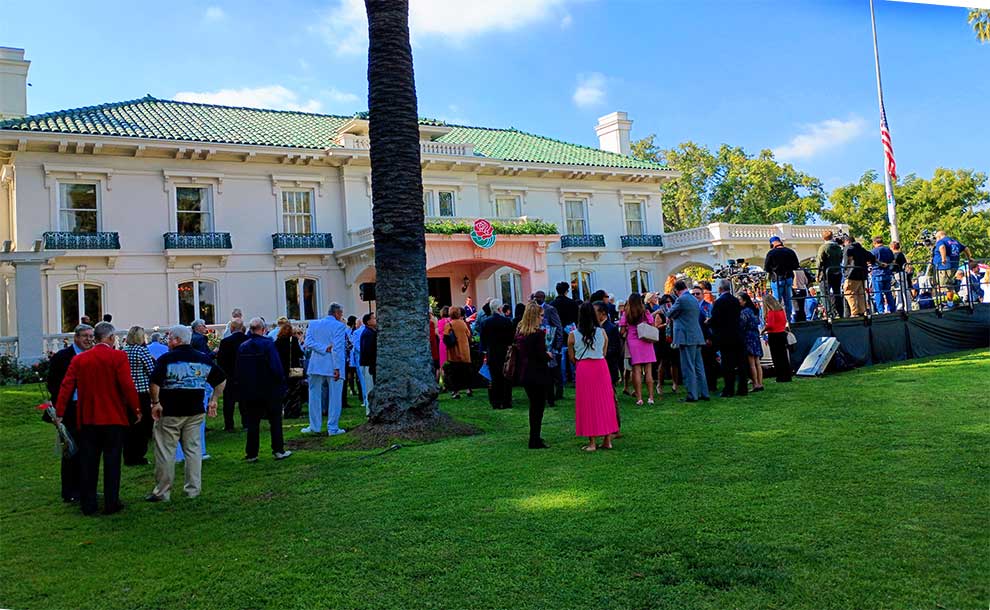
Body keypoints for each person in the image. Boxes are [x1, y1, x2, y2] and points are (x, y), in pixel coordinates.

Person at [55, 322, 141, 515]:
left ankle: (89, 504)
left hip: (88, 418)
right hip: (113, 417)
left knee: (88, 462)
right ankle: (111, 502)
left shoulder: (80, 359)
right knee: (112, 462)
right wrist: (136, 408)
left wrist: (60, 412)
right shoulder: (118, 356)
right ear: (110, 338)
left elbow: (66, 387)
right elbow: (127, 385)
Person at [146, 325, 226, 503]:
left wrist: (155, 403)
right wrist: (214, 399)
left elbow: (154, 383)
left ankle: (162, 492)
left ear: (176, 340)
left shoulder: (167, 359)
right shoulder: (203, 359)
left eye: (169, 339)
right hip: (195, 411)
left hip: (170, 412)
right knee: (193, 450)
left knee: (166, 452)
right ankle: (193, 490)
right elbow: (221, 379)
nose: (168, 342)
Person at [46, 323, 94, 503]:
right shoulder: (63, 357)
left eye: (91, 336)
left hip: (88, 407)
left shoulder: (92, 354)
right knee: (71, 447)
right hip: (70, 407)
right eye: (85, 336)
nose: (89, 340)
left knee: (88, 448)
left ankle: (85, 487)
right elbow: (53, 382)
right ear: (76, 338)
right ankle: (70, 490)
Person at [237, 318, 292, 462]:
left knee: (253, 422)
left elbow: (239, 370)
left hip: (251, 390)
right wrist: (282, 383)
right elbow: (276, 366)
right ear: (263, 329)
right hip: (269, 389)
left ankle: (252, 453)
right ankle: (278, 450)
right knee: (275, 420)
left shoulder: (243, 346)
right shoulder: (268, 345)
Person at [568, 302, 619, 451]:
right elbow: (603, 352)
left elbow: (572, 357)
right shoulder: (602, 332)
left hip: (584, 368)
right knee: (605, 402)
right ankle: (607, 439)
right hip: (601, 367)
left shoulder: (573, 335)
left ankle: (592, 442)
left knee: (588, 403)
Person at [302, 304, 348, 436]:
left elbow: (308, 343)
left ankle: (314, 426)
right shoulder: (339, 326)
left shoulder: (314, 324)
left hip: (316, 364)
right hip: (332, 365)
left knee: (314, 395)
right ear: (337, 313)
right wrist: (337, 367)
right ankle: (332, 427)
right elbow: (337, 348)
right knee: (335, 396)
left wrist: (321, 348)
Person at [513, 302, 551, 449]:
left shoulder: (521, 334)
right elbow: (540, 355)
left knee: (534, 406)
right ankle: (535, 438)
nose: (542, 319)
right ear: (535, 316)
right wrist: (548, 355)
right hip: (537, 373)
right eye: (541, 316)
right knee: (538, 407)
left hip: (525, 372)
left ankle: (534, 436)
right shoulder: (537, 335)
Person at [666, 280, 710, 403]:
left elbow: (669, 313)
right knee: (699, 366)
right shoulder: (693, 299)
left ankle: (692, 394)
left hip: (686, 337)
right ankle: (704, 392)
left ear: (676, 291)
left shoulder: (681, 300)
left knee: (688, 366)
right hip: (696, 336)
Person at [122, 326, 156, 466]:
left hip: (127, 392)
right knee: (142, 426)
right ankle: (138, 456)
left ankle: (128, 455)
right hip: (141, 391)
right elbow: (151, 371)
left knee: (129, 425)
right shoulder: (141, 351)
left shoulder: (124, 351)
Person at [709, 279, 746, 397]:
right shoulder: (735, 301)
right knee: (741, 364)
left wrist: (709, 322)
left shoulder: (719, 302)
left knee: (727, 364)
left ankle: (729, 389)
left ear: (720, 289)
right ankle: (742, 388)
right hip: (737, 334)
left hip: (725, 337)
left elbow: (716, 320)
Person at [619, 292, 656, 405]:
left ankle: (639, 398)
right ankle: (650, 397)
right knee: (648, 371)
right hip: (646, 340)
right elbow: (652, 325)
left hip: (633, 341)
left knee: (636, 371)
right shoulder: (645, 312)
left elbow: (622, 331)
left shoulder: (627, 313)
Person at [216, 318, 250, 432]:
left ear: (231, 328)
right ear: (242, 328)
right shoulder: (248, 340)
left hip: (230, 375)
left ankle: (229, 425)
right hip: (245, 375)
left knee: (228, 402)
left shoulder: (225, 342)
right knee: (245, 401)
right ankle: (246, 423)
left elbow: (220, 361)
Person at [481, 301, 515, 410]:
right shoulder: (506, 321)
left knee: (495, 378)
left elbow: (483, 340)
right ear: (500, 309)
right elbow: (511, 338)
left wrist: (484, 351)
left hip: (492, 352)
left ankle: (496, 401)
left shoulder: (486, 322)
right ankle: (506, 401)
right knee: (506, 377)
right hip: (505, 352)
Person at [533, 290, 564, 403]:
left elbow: (558, 325)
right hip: (540, 342)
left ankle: (558, 392)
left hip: (550, 342)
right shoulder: (533, 309)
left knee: (555, 370)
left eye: (539, 297)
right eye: (535, 297)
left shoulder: (550, 309)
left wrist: (558, 343)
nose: (537, 299)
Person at [764, 236, 800, 320]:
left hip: (777, 279)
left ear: (772, 244)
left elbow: (766, 268)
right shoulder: (790, 251)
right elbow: (796, 265)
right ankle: (788, 320)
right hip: (788, 278)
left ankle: (778, 320)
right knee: (788, 301)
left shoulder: (771, 253)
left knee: (776, 302)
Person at [692, 284, 719, 393]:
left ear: (702, 295)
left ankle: (711, 385)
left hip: (706, 338)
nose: (695, 296)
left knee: (709, 363)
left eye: (697, 294)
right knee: (699, 364)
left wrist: (709, 337)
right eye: (693, 294)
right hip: (695, 338)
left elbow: (710, 324)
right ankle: (702, 385)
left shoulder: (708, 306)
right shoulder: (691, 306)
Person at [275, 322, 305, 419]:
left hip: (282, 369)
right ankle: (294, 412)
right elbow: (300, 353)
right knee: (295, 392)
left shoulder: (277, 342)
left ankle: (285, 410)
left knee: (285, 391)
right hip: (294, 368)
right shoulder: (294, 341)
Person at [443, 306, 473, 399]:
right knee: (466, 371)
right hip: (464, 350)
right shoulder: (463, 323)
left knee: (454, 373)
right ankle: (468, 389)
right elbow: (469, 334)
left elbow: (445, 337)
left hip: (454, 351)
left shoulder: (449, 324)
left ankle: (456, 392)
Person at [842, 236, 876, 317]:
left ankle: (855, 312)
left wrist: (845, 271)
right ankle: (862, 311)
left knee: (849, 292)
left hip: (852, 274)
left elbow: (846, 261)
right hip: (862, 275)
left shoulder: (848, 248)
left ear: (847, 241)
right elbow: (871, 257)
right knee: (860, 293)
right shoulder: (861, 248)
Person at [762, 294, 792, 383]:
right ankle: (787, 375)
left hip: (774, 335)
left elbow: (770, 325)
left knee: (776, 357)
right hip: (781, 334)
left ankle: (780, 377)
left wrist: (763, 330)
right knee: (783, 356)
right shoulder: (781, 311)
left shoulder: (771, 313)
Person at [738, 292, 764, 392]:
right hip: (755, 335)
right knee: (757, 362)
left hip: (748, 336)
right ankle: (760, 383)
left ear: (744, 301)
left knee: (751, 363)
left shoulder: (744, 312)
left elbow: (742, 325)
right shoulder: (753, 310)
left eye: (739, 300)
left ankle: (755, 384)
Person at [594, 300, 623, 388]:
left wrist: (602, 353)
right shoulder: (594, 327)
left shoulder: (611, 328)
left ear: (602, 313)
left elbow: (616, 348)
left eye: (594, 312)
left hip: (608, 364)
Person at [817, 230, 844, 317]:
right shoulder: (838, 247)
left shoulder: (823, 247)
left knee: (824, 294)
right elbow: (840, 259)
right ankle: (840, 312)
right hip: (837, 272)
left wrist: (817, 275)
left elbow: (819, 262)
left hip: (826, 274)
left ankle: (829, 313)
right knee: (837, 293)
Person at [870, 236, 896, 314]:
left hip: (877, 273)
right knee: (888, 293)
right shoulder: (888, 250)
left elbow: (869, 261)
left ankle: (880, 311)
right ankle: (892, 309)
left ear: (874, 243)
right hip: (887, 273)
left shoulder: (873, 251)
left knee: (878, 293)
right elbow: (892, 260)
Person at [359, 313, 378, 410]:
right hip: (368, 365)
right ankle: (369, 410)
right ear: (368, 322)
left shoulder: (371, 332)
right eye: (373, 318)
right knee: (369, 388)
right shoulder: (368, 334)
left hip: (369, 365)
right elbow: (368, 350)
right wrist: (371, 365)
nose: (375, 320)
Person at [890, 241, 910, 312]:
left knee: (899, 290)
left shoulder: (896, 255)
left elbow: (892, 266)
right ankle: (907, 306)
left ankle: (900, 306)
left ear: (892, 247)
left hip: (898, 273)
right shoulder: (901, 254)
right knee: (905, 290)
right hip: (902, 272)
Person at [437, 306, 451, 383]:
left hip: (442, 343)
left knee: (442, 363)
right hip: (450, 342)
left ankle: (445, 383)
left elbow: (439, 332)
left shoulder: (440, 322)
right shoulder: (451, 321)